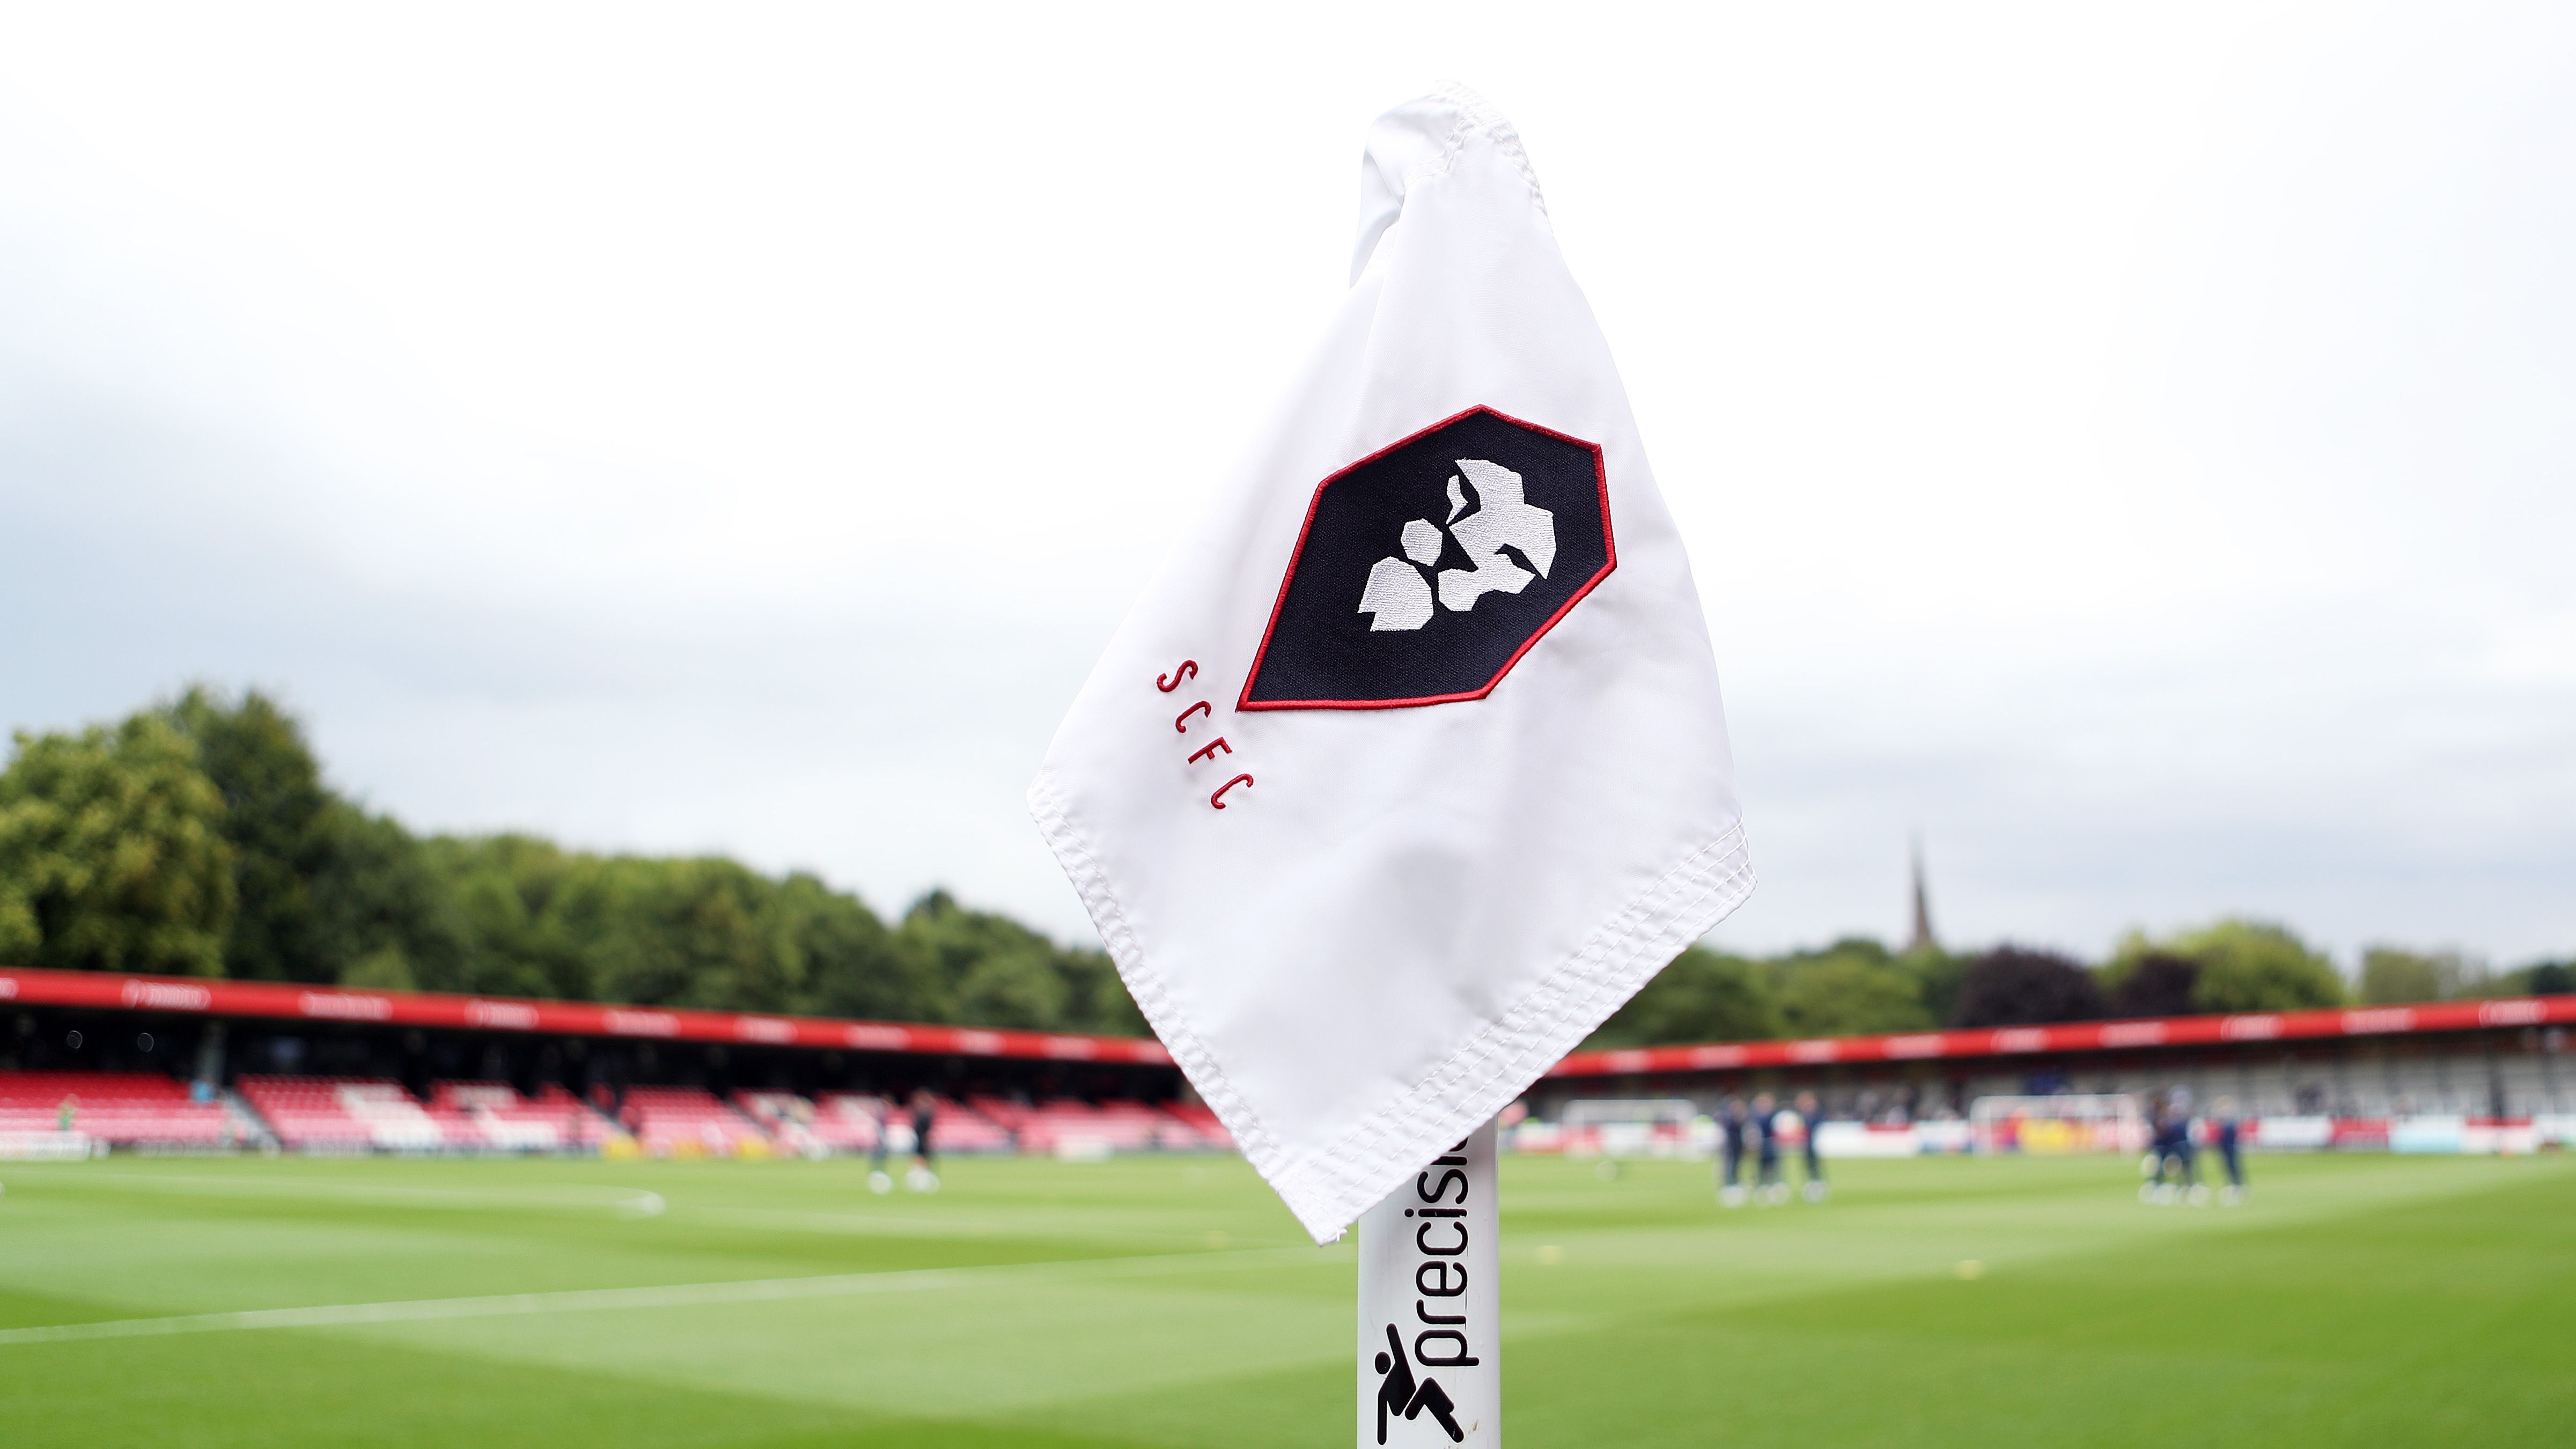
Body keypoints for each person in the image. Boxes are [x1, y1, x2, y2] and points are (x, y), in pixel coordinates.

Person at [1794, 1090, 1828, 1203]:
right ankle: (1811, 1184)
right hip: (1806, 1146)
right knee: (1808, 1166)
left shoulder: (1816, 1114)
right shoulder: (1802, 1116)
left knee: (1816, 1166)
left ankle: (1818, 1184)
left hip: (1815, 1145)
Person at [1751, 1092, 1785, 1204]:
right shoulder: (1756, 1116)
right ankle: (1762, 1186)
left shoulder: (1774, 1115)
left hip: (1772, 1143)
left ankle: (1775, 1185)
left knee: (1774, 1166)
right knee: (1762, 1166)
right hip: (1761, 1144)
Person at [2211, 1095, 2246, 1204]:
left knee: (2234, 1166)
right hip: (2223, 1147)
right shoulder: (2220, 1122)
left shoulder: (2230, 1122)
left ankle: (2238, 1186)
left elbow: (2234, 1135)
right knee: (2226, 1167)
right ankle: (2231, 1185)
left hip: (2231, 1146)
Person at [905, 1087, 940, 1193]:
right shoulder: (921, 1114)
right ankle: (917, 1177)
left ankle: (923, 1177)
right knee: (921, 1159)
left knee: (925, 1159)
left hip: (924, 1140)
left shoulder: (926, 1113)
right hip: (921, 1140)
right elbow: (919, 1128)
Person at [1716, 1096, 1748, 1207]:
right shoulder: (1729, 1120)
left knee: (1737, 1166)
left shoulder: (1741, 1120)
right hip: (1730, 1148)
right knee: (1729, 1166)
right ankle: (1729, 1185)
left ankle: (1736, 1184)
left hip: (1738, 1148)